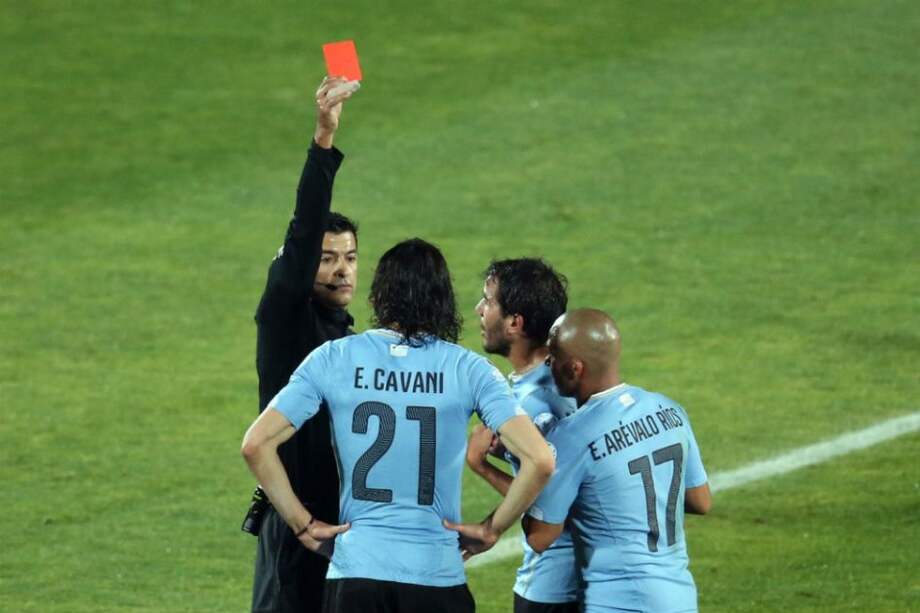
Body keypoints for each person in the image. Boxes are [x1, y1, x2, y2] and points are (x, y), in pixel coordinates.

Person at [242, 239, 556, 613]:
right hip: (436, 577)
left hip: (355, 576)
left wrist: (302, 525)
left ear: (378, 297)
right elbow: (539, 460)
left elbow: (255, 444)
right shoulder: (469, 369)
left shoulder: (334, 358)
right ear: (443, 300)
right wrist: (491, 528)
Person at [248, 76, 360, 613]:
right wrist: (323, 141)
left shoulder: (346, 331)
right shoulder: (286, 315)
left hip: (342, 520)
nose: (342, 270)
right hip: (298, 523)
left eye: (350, 257)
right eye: (326, 258)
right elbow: (302, 232)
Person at [525, 309, 712, 613]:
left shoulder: (571, 436)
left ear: (574, 368)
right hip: (679, 598)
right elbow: (700, 501)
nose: (547, 364)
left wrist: (499, 465)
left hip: (618, 602)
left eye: (553, 356)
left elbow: (539, 536)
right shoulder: (669, 409)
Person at [465, 258, 579, 613]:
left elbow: (553, 514)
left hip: (553, 587)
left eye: (488, 301)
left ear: (515, 323)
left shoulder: (531, 405)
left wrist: (480, 464)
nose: (479, 310)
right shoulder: (572, 380)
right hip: (591, 581)